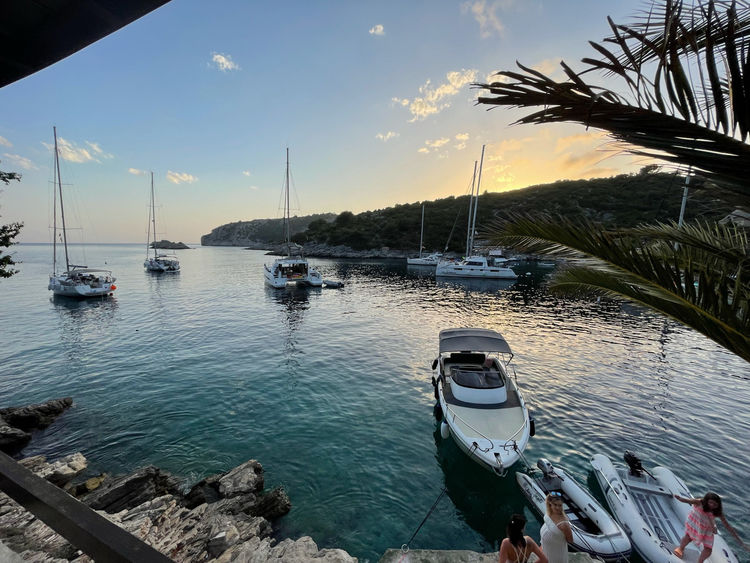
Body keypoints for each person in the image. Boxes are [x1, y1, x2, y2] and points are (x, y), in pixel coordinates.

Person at [673, 492, 748, 562]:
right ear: (706, 500)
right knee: (688, 537)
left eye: (715, 504)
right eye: (711, 502)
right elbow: (688, 501)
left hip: (707, 529)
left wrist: (740, 542)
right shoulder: (700, 502)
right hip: (696, 523)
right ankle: (680, 549)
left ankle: (700, 561)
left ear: (718, 505)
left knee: (708, 549)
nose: (712, 505)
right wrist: (680, 498)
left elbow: (727, 525)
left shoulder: (717, 512)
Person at [540, 492, 573, 563]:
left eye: (560, 505)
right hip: (546, 547)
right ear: (550, 504)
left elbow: (570, 540)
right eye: (555, 505)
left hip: (556, 552)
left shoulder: (564, 524)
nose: (558, 508)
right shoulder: (550, 512)